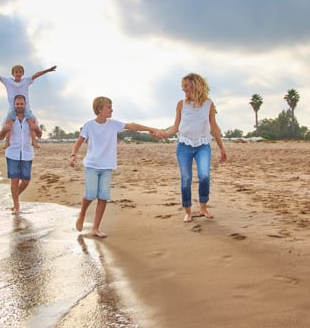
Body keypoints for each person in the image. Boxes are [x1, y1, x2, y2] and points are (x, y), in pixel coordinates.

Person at [69, 96, 161, 238]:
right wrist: (73, 155)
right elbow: (79, 141)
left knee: (103, 196)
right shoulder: (89, 125)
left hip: (107, 166)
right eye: (108, 107)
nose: (112, 109)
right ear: (100, 109)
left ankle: (95, 228)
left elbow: (132, 126)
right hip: (92, 165)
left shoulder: (113, 124)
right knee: (91, 194)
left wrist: (150, 129)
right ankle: (82, 214)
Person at [156, 73, 227, 223]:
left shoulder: (209, 104)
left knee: (204, 176)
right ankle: (188, 211)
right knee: (186, 178)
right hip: (184, 146)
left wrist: (222, 148)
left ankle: (203, 207)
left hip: (203, 146)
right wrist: (164, 133)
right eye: (183, 86)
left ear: (196, 85)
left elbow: (214, 128)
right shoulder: (181, 104)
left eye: (186, 85)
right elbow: (175, 127)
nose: (183, 89)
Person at [0, 64, 57, 148]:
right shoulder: (8, 81)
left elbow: (36, 75)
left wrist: (48, 70)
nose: (18, 73)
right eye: (16, 72)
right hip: (13, 106)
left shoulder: (26, 81)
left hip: (25, 106)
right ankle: (7, 142)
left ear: (23, 73)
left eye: (20, 72)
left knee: (31, 121)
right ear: (13, 73)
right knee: (8, 123)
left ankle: (34, 141)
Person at [0, 95, 43, 214]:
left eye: (21, 104)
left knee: (26, 180)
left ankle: (15, 196)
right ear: (14, 105)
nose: (19, 106)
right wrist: (4, 129)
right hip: (12, 153)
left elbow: (39, 134)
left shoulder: (31, 118)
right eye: (17, 104)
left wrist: (36, 128)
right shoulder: (8, 118)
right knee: (14, 180)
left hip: (27, 153)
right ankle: (16, 205)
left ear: (25, 104)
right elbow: (0, 136)